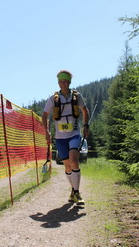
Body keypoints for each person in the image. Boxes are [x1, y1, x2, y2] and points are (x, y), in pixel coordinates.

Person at [42, 70, 90, 205]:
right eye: (61, 81)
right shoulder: (53, 99)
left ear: (69, 82)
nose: (63, 84)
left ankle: (77, 192)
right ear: (58, 83)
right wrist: (46, 132)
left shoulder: (76, 96)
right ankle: (73, 190)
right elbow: (45, 115)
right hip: (60, 137)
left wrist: (85, 126)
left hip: (74, 133)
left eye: (65, 81)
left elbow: (85, 110)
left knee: (74, 160)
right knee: (67, 166)